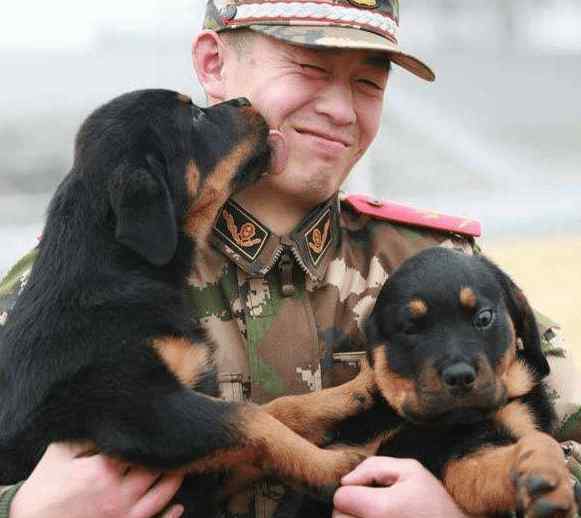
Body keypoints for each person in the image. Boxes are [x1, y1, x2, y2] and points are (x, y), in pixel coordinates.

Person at [1, 1, 580, 517]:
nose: (341, 110)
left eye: (369, 84)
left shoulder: (438, 267)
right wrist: (24, 508)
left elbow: (564, 446)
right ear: (212, 63)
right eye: (309, 69)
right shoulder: (63, 297)